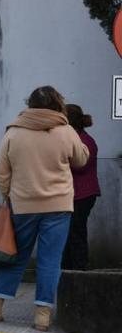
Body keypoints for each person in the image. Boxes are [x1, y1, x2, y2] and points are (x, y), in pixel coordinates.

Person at [0, 86, 89, 331]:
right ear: (57, 104)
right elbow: (81, 160)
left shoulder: (14, 132)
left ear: (29, 104)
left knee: (15, 256)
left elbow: (1, 171)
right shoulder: (66, 131)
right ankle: (42, 315)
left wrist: (8, 195)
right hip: (59, 204)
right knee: (50, 260)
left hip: (23, 204)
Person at [61, 104, 100, 271]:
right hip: (79, 194)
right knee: (71, 234)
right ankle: (70, 270)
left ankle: (79, 270)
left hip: (81, 194)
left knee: (75, 234)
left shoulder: (83, 141)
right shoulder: (81, 138)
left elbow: (80, 166)